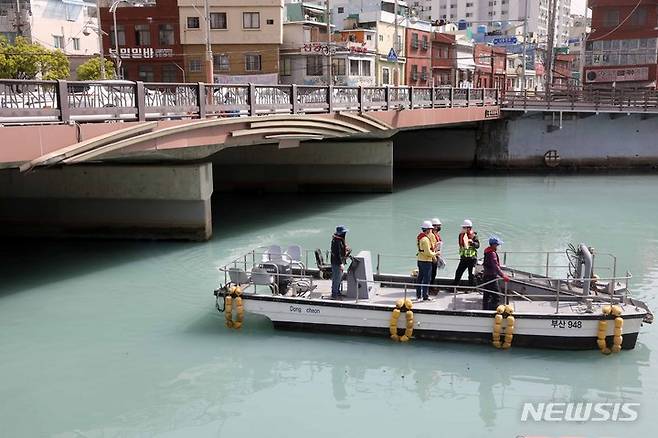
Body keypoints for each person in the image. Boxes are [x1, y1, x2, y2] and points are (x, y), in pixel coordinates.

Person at [482, 236, 510, 310]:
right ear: (493, 245)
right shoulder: (492, 254)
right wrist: (503, 275)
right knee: (496, 296)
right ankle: (492, 311)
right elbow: (495, 266)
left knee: (486, 295)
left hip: (486, 276)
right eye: (497, 245)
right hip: (491, 277)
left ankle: (485, 310)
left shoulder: (488, 252)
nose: (498, 246)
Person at [453, 219, 480, 287]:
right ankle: (455, 286)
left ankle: (471, 288)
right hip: (464, 258)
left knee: (471, 274)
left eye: (464, 227)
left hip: (472, 258)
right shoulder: (461, 235)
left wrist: (472, 243)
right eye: (463, 227)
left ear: (469, 228)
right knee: (458, 272)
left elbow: (478, 245)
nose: (463, 229)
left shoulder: (474, 236)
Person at [416, 220, 437, 301]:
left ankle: (418, 295)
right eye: (431, 229)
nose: (431, 230)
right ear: (428, 229)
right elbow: (427, 252)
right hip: (426, 261)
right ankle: (425, 296)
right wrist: (435, 254)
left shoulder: (419, 237)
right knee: (427, 279)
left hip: (420, 260)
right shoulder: (425, 239)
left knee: (420, 278)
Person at [330, 225, 351, 299]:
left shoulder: (339, 240)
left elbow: (341, 250)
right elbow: (337, 254)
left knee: (339, 278)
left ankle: (337, 292)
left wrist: (346, 249)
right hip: (336, 263)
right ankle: (334, 294)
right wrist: (340, 263)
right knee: (336, 278)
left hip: (338, 262)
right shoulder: (336, 241)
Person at [430, 218, 443, 286]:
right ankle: (429, 288)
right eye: (438, 226)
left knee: (433, 273)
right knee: (431, 273)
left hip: (435, 256)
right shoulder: (431, 235)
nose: (439, 227)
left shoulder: (437, 234)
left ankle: (431, 286)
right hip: (432, 257)